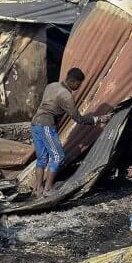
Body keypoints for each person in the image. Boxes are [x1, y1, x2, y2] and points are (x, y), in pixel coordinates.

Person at [31, 68, 93, 199]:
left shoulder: (52, 85)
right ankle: (47, 189)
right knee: (58, 157)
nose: (79, 86)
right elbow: (78, 118)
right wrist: (96, 119)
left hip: (35, 123)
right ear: (71, 81)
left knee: (42, 158)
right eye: (78, 84)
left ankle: (37, 189)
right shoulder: (66, 95)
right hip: (46, 125)